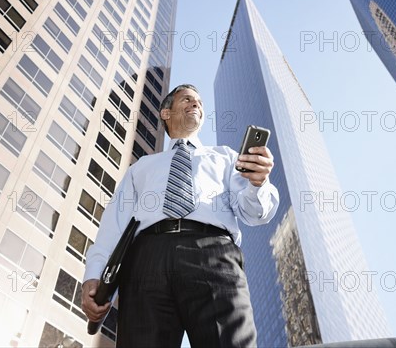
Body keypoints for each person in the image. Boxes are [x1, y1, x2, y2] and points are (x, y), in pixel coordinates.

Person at [81, 84, 279, 347]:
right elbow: (113, 226)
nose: (196, 103)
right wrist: (93, 274)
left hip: (213, 254)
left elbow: (254, 213)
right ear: (166, 113)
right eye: (187, 99)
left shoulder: (225, 158)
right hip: (145, 261)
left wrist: (258, 184)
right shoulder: (142, 167)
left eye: (199, 101)